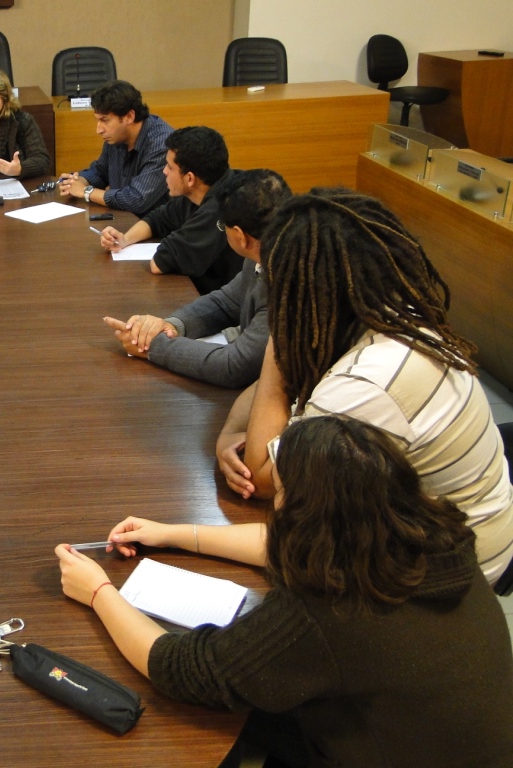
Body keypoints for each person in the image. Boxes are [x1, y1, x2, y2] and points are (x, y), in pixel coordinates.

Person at [56, 416, 513, 768]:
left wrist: (98, 591)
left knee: (201, 719)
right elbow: (288, 544)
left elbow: (182, 668)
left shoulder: (329, 613)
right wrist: (172, 534)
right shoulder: (431, 535)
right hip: (463, 746)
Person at [214, 188, 513, 583]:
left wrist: (278, 338)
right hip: (458, 526)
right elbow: (268, 410)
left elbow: (263, 477)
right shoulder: (390, 319)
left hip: (458, 572)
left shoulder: (368, 383)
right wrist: (229, 436)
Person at [102, 169, 291, 388]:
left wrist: (153, 346)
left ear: (240, 236)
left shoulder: (287, 281)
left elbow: (235, 366)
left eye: (223, 226)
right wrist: (170, 325)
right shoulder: (266, 246)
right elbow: (225, 302)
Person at [98, 126, 243, 294]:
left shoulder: (219, 208)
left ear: (190, 178)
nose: (164, 171)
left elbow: (160, 263)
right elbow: (157, 219)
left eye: (169, 167)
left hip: (230, 307)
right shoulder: (202, 189)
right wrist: (125, 239)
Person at [57, 80, 172, 217]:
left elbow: (137, 199)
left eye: (105, 120)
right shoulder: (116, 136)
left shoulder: (161, 143)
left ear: (129, 117)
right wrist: (78, 181)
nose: (98, 130)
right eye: (97, 120)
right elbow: (100, 171)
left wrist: (86, 192)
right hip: (122, 222)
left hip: (157, 231)